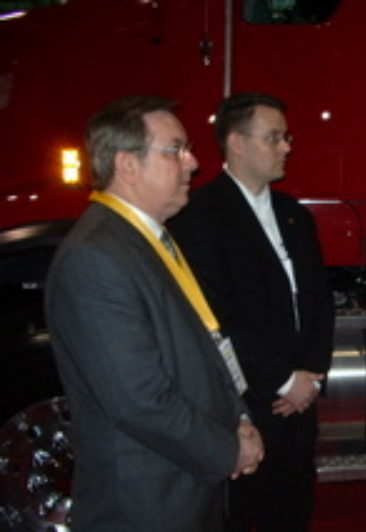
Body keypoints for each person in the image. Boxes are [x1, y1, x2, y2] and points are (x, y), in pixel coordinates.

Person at [45, 95, 264, 532]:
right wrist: (227, 450)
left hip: (180, 487)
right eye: (176, 150)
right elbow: (140, 400)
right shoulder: (95, 258)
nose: (194, 163)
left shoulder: (146, 240)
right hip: (145, 505)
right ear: (127, 165)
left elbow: (200, 349)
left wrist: (237, 418)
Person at [169, 92, 334, 531]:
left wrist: (311, 374)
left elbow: (320, 299)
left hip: (300, 402)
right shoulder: (199, 216)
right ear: (236, 142)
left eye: (286, 136)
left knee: (295, 506)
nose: (287, 147)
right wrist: (282, 379)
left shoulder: (294, 213)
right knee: (245, 513)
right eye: (274, 137)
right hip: (245, 404)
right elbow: (215, 317)